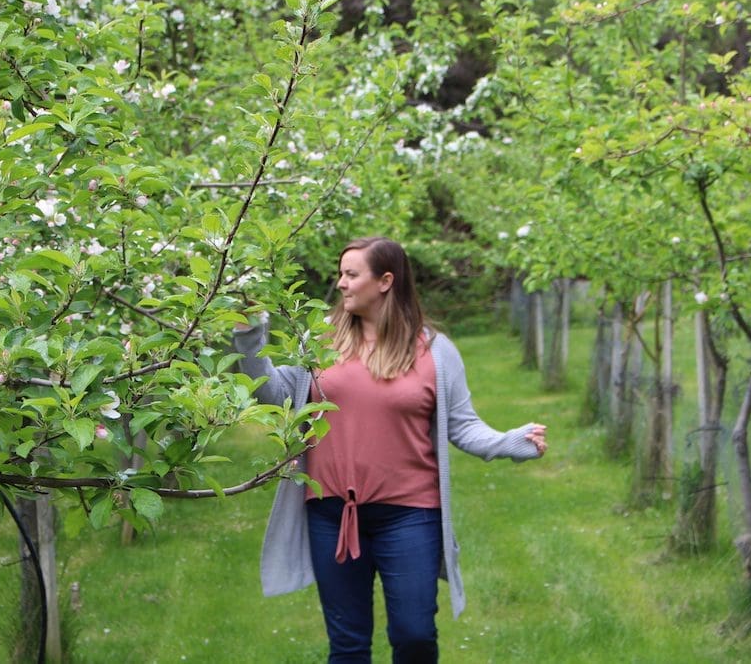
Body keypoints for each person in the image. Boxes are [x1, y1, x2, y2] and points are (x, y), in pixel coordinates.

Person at [233, 237, 547, 663]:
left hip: (410, 515)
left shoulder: (435, 352)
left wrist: (510, 441)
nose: (341, 284)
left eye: (351, 274)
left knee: (415, 634)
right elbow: (273, 393)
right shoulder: (321, 342)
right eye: (340, 274)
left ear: (385, 281)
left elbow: (463, 424)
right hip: (331, 513)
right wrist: (250, 337)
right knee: (347, 645)